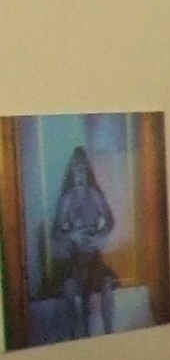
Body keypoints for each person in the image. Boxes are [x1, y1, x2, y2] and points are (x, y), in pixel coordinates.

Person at [44, 144, 116, 337]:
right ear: (72, 171)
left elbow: (110, 221)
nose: (80, 173)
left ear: (87, 170)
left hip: (94, 260)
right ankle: (76, 339)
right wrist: (71, 235)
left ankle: (111, 334)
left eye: (83, 168)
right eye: (77, 169)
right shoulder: (66, 198)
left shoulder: (95, 195)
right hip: (73, 261)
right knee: (68, 290)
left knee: (107, 283)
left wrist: (100, 235)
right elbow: (55, 232)